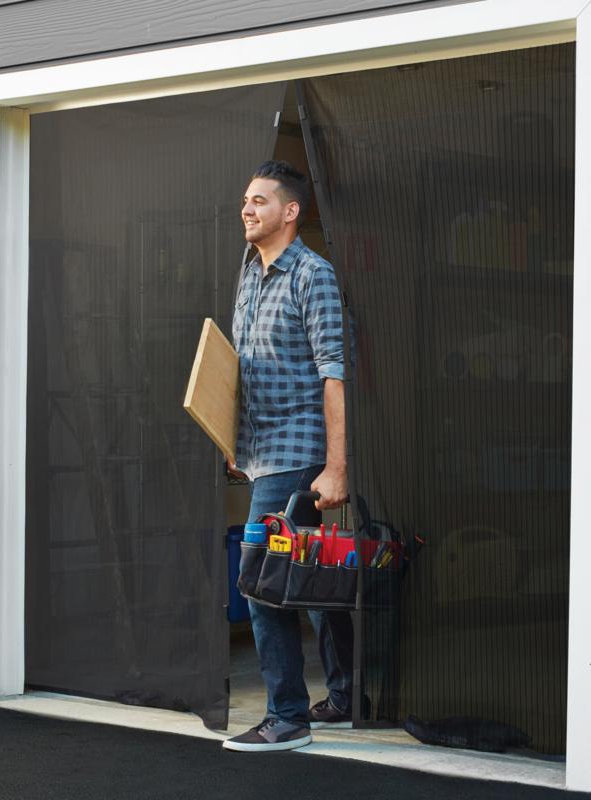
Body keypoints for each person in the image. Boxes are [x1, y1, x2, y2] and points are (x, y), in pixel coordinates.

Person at [222, 161, 354, 753]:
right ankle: (348, 695)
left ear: (290, 211)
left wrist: (337, 465)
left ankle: (287, 716)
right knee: (305, 575)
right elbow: (241, 367)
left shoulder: (312, 275)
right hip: (261, 449)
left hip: (298, 449)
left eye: (259, 201)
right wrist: (236, 444)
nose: (247, 210)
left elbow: (333, 374)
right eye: (245, 201)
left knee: (259, 578)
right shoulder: (250, 273)